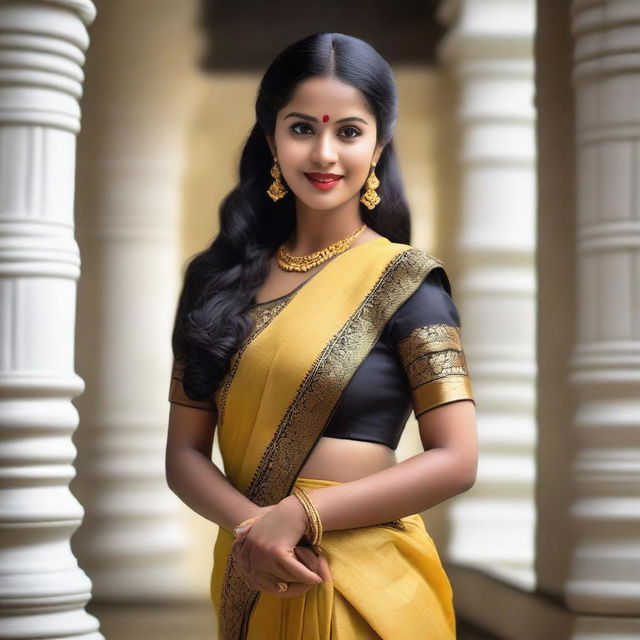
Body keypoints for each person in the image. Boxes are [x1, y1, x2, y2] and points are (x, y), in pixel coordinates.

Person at [165, 32, 478, 640]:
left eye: (349, 132)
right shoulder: (215, 282)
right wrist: (258, 534)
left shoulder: (407, 282)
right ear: (271, 138)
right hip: (258, 571)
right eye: (302, 128)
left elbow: (457, 459)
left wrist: (301, 514)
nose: (325, 153)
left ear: (379, 146)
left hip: (371, 579)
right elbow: (183, 455)